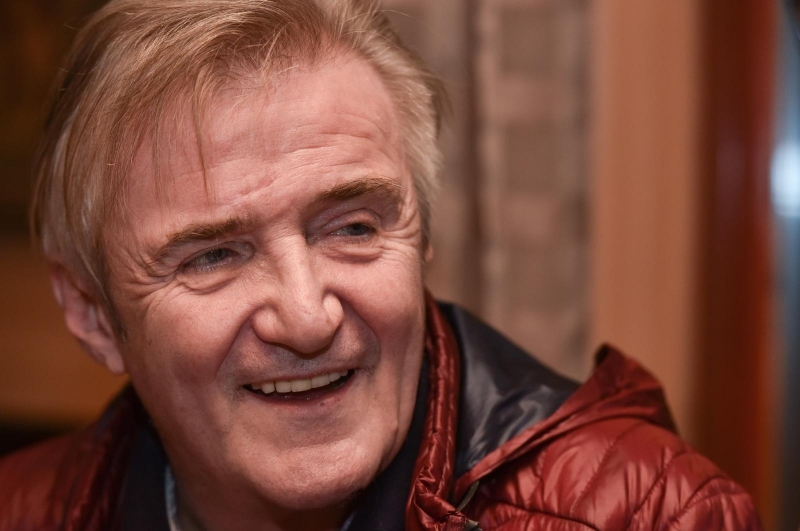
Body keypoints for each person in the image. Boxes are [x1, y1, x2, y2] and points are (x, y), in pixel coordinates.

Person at [0, 1, 761, 530]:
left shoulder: (652, 514)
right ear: (92, 314)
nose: (307, 317)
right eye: (214, 255)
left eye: (353, 227)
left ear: (423, 239)